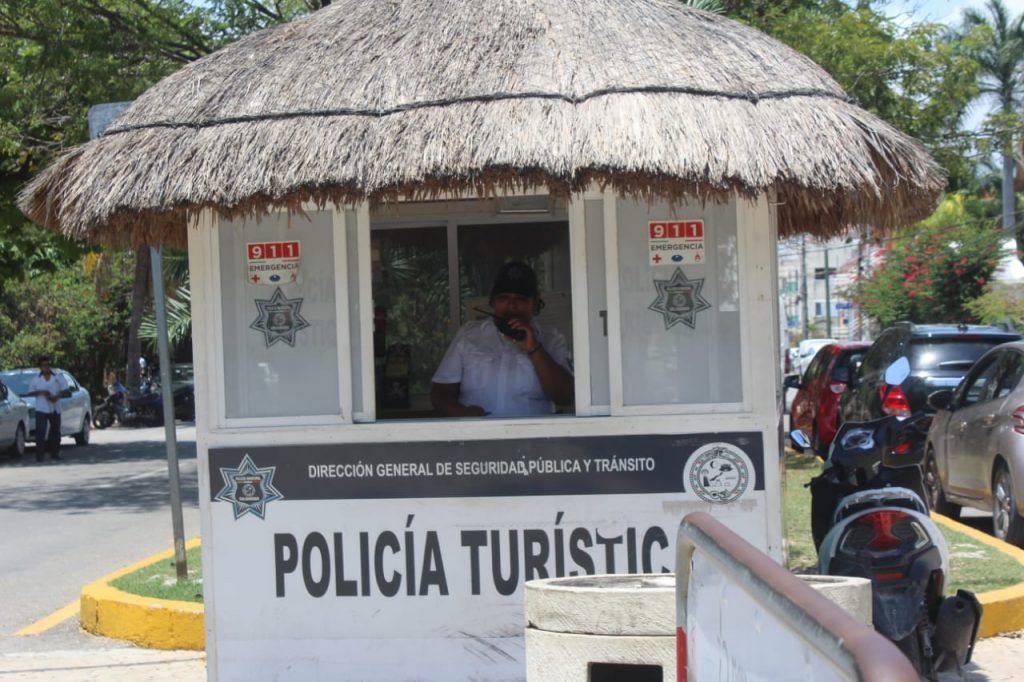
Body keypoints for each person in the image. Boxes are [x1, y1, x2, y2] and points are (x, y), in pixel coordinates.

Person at [431, 262, 574, 417]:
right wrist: (462, 413)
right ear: (493, 301)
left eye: (521, 299)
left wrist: (535, 349)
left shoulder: (552, 340)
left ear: (535, 302)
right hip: (478, 431)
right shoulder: (469, 335)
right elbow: (441, 392)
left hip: (532, 432)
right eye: (503, 297)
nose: (511, 305)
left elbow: (566, 397)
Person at [26, 355, 69, 462]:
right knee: (41, 432)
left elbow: (66, 391)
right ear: (40, 367)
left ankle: (55, 453)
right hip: (42, 408)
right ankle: (40, 455)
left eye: (48, 365)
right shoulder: (36, 379)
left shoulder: (58, 377)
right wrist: (42, 392)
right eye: (44, 365)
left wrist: (57, 396)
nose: (46, 367)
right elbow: (30, 392)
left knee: (55, 432)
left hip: (55, 407)